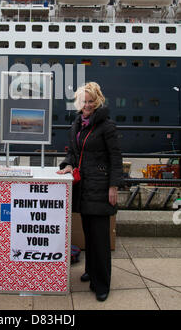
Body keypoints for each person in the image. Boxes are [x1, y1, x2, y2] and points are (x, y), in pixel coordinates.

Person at [57, 82, 122, 302]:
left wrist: (113, 186)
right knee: (89, 234)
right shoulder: (77, 124)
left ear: (98, 101)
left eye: (91, 101)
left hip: (101, 188)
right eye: (84, 101)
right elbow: (74, 153)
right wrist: (67, 164)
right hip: (84, 188)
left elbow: (115, 158)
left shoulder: (106, 126)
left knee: (100, 239)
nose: (87, 104)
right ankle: (91, 271)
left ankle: (102, 283)